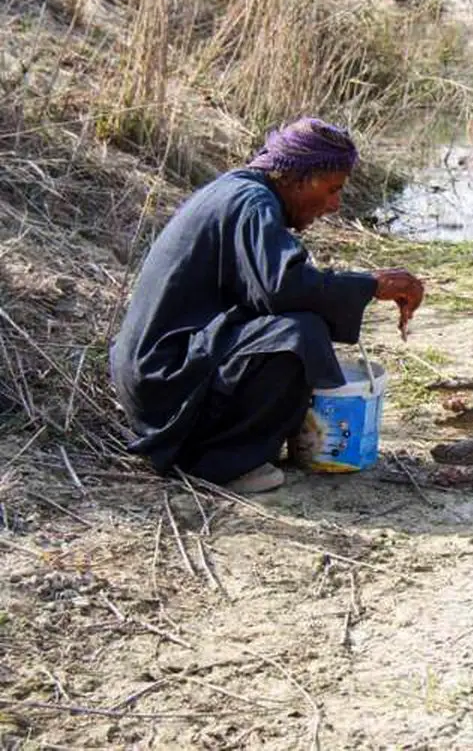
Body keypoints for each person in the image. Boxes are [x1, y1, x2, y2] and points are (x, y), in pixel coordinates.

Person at [109, 117, 425, 494]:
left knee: (293, 323)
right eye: (331, 190)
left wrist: (360, 285)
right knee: (300, 333)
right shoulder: (251, 203)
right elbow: (284, 288)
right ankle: (217, 463)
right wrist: (372, 286)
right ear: (297, 179)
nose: (335, 204)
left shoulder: (240, 193)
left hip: (158, 376)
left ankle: (230, 444)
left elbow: (270, 289)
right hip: (164, 381)